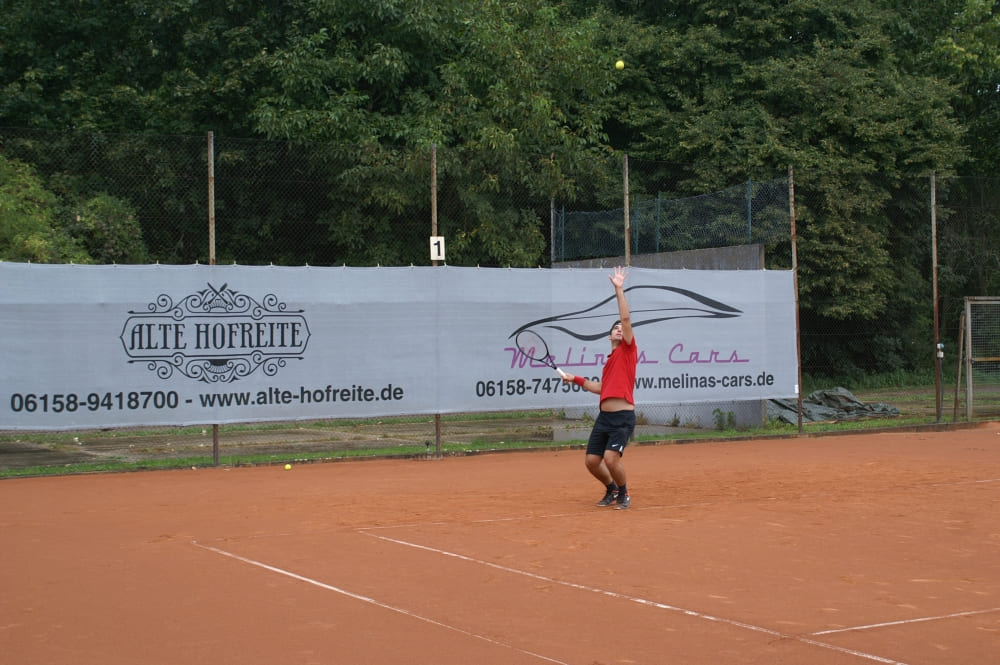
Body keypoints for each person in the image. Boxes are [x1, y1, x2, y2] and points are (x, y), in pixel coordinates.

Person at [562, 266, 637, 510]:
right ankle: (611, 489)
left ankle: (624, 493)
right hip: (604, 418)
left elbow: (625, 318)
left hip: (623, 417)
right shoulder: (609, 362)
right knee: (592, 461)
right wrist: (576, 379)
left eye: (620, 327)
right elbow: (602, 388)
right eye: (614, 327)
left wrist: (619, 289)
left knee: (610, 458)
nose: (619, 328)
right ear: (608, 336)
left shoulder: (628, 350)